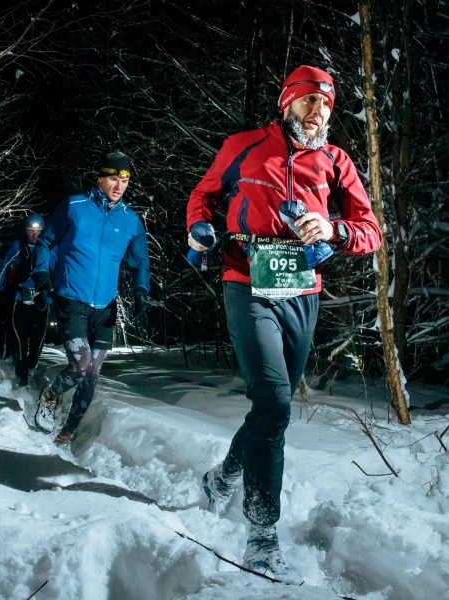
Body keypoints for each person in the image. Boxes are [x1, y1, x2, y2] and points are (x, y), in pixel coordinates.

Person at [186, 65, 383, 575]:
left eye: (327, 106)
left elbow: (370, 230)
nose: (318, 114)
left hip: (301, 292)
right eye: (309, 102)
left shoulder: (337, 161)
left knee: (271, 410)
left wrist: (334, 229)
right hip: (245, 282)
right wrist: (200, 228)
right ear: (287, 102)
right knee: (273, 401)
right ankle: (261, 531)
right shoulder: (244, 147)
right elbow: (202, 197)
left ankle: (224, 475)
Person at [31, 151, 150, 445]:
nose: (119, 185)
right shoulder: (75, 207)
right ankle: (50, 396)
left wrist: (141, 290)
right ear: (100, 179)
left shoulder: (131, 221)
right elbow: (45, 242)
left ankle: (69, 430)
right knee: (81, 366)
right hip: (71, 298)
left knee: (92, 374)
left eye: (124, 180)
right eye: (113, 178)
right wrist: (42, 274)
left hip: (105, 307)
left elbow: (141, 261)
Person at [0, 213, 54, 387]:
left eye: (38, 231)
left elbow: (62, 272)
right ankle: (22, 380)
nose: (34, 235)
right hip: (20, 300)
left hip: (42, 303)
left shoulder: (52, 248)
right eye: (31, 231)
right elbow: (4, 267)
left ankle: (31, 366)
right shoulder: (17, 247)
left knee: (36, 346)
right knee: (20, 341)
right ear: (26, 231)